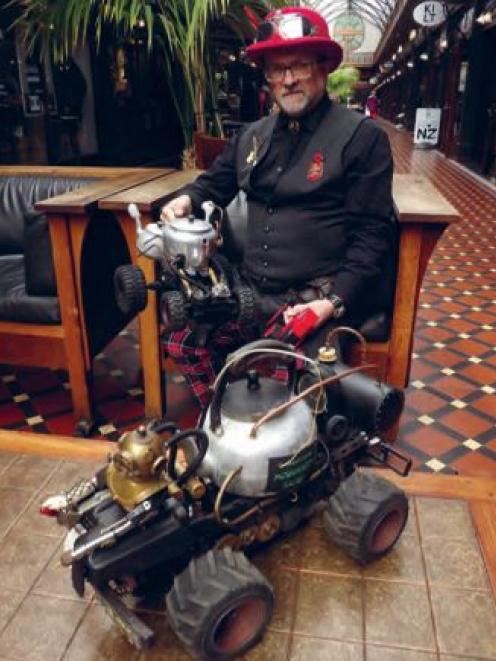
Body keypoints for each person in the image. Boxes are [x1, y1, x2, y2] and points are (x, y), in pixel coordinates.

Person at [161, 6, 395, 408]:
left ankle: (293, 456)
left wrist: (332, 303)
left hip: (314, 297)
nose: (288, 79)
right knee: (185, 342)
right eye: (277, 68)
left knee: (305, 387)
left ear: (322, 67)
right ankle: (223, 422)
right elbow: (214, 183)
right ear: (267, 76)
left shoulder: (362, 138)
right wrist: (187, 199)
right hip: (251, 290)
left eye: (299, 65)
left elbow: (372, 235)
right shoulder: (251, 136)